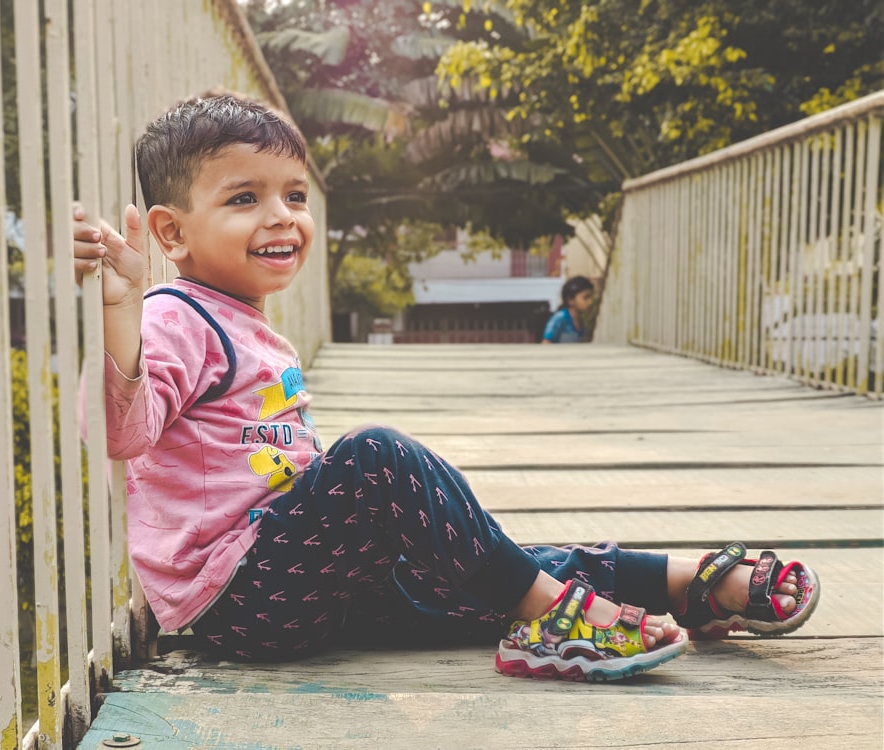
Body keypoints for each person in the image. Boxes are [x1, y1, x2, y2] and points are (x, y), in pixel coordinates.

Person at [73, 92, 820, 682]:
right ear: (171, 235)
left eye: (295, 196)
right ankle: (555, 618)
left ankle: (688, 583)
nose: (282, 217)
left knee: (480, 554)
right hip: (244, 600)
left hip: (306, 581)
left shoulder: (244, 319)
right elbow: (124, 432)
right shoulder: (173, 315)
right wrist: (120, 308)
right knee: (375, 459)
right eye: (244, 199)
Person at [542, 275, 594, 343]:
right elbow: (546, 343)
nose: (590, 302)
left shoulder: (580, 321)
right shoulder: (560, 318)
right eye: (585, 298)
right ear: (570, 300)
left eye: (591, 297)